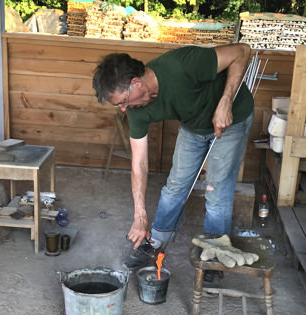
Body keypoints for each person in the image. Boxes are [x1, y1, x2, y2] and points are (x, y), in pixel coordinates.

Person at [93, 43, 254, 285]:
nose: (123, 109)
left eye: (123, 102)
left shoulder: (182, 65)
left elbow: (242, 50)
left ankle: (214, 257)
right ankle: (155, 243)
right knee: (175, 186)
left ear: (136, 82)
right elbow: (139, 164)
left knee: (216, 191)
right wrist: (140, 214)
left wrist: (226, 102)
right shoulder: (136, 111)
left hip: (231, 118)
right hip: (193, 126)